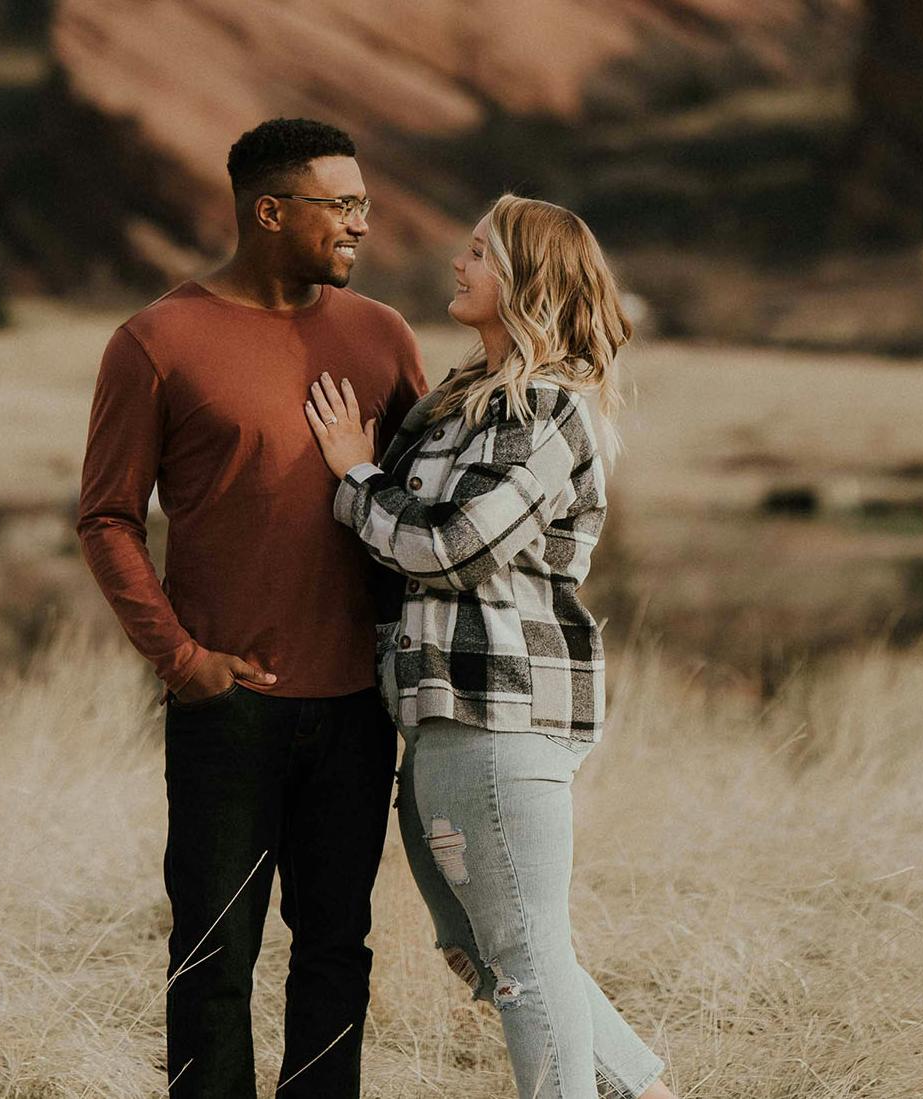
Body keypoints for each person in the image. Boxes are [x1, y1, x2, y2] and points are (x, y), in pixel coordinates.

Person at [76, 117, 427, 1098]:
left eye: (364, 203)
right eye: (341, 204)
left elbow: (424, 505)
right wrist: (183, 661)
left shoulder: (382, 335)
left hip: (358, 705)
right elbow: (106, 516)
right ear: (270, 212)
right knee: (213, 957)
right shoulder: (156, 341)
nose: (361, 223)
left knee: (336, 950)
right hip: (227, 709)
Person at [304, 194, 676, 1099]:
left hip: (500, 709)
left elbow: (453, 546)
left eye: (480, 251)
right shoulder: (464, 400)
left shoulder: (544, 407)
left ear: (525, 280)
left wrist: (355, 473)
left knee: (522, 953)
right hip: (442, 713)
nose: (458, 262)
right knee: (482, 946)